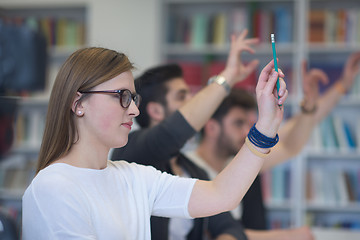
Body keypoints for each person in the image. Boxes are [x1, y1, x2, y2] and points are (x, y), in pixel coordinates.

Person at [21, 46, 288, 239]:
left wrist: (265, 125)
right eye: (122, 96)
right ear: (78, 104)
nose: (135, 111)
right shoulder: (53, 187)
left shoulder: (133, 176)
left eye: (134, 99)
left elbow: (222, 195)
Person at [184, 51, 360, 240]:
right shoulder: (186, 172)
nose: (246, 132)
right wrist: (288, 236)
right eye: (238, 123)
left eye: (247, 123)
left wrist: (341, 87)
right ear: (211, 127)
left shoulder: (236, 162)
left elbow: (291, 143)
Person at [110, 30, 266, 239]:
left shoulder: (193, 170)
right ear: (156, 111)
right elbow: (173, 130)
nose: (192, 101)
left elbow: (229, 224)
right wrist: (227, 76)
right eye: (182, 96)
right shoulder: (133, 151)